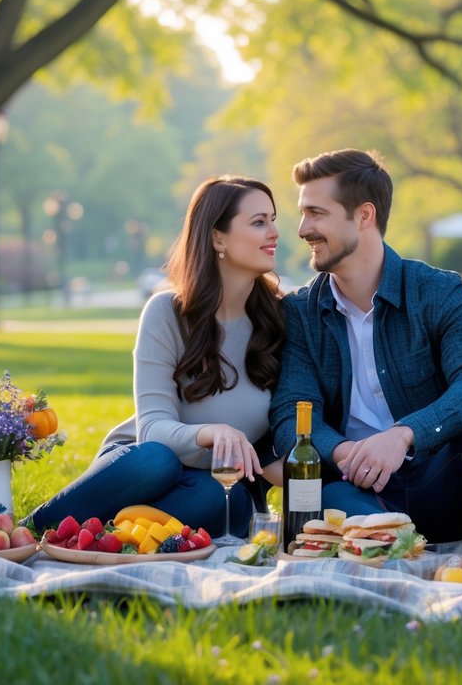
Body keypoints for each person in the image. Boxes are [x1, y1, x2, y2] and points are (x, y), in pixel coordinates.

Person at [269, 149, 462, 590]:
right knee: (326, 493)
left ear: (364, 215)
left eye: (316, 213)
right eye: (302, 214)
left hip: (442, 483)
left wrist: (403, 436)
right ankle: (402, 552)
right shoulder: (300, 312)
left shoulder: (438, 291)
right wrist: (344, 453)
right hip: (356, 490)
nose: (302, 230)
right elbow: (291, 416)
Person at [21, 175, 285, 538]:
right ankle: (27, 532)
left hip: (212, 484)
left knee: (221, 498)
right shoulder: (167, 312)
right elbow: (151, 429)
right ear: (217, 237)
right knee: (156, 460)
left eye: (273, 219)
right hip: (141, 468)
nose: (274, 232)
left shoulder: (280, 319)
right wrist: (211, 432)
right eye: (259, 222)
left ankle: (97, 538)